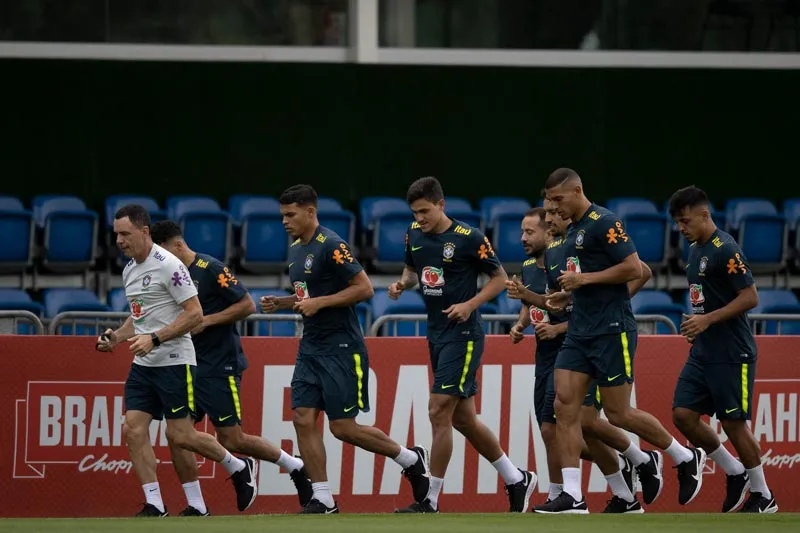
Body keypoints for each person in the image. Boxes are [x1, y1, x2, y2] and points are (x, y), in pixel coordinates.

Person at [538, 168, 705, 513]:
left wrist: (583, 280)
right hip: (580, 331)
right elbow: (588, 284)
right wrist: (566, 298)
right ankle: (573, 495)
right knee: (564, 408)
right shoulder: (573, 233)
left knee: (617, 413)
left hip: (612, 330)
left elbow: (635, 268)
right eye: (549, 202)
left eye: (557, 200)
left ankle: (683, 455)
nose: (553, 209)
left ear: (577, 191)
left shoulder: (604, 221)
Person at [259, 184, 430, 514]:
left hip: (342, 346)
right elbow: (309, 297)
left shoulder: (332, 245)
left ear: (311, 212)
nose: (284, 221)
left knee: (342, 428)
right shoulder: (296, 249)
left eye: (290, 214)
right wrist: (281, 302)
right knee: (302, 417)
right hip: (311, 347)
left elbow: (364, 289)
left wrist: (319, 302)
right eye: (282, 215)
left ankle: (409, 458)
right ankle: (323, 497)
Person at [95, 204, 257, 517]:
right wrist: (116, 337)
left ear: (144, 232)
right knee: (132, 429)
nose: (119, 240)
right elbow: (140, 318)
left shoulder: (169, 265)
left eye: (125, 234)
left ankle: (237, 465)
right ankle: (155, 503)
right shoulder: (130, 269)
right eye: (116, 234)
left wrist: (155, 338)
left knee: (181, 435)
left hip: (174, 360)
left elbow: (194, 313)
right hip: (144, 364)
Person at [389, 176, 536, 514]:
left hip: (464, 334)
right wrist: (401, 285)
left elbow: (500, 279)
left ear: (441, 204)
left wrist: (471, 304)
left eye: (424, 211)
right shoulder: (414, 234)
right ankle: (516, 478)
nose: (420, 218)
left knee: (438, 409)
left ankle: (430, 499)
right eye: (415, 212)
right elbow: (412, 271)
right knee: (464, 419)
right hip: (436, 334)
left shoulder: (469, 238)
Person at [150, 220, 313, 516]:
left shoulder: (210, 267)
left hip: (218, 363)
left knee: (232, 438)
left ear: (176, 245)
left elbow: (247, 305)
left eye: (161, 252)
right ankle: (197, 505)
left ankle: (294, 466)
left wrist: (206, 320)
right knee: (176, 435)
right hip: (185, 363)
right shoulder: (169, 274)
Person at [507, 204, 651, 514]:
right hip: (550, 354)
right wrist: (522, 318)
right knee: (556, 428)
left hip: (580, 346)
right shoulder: (533, 266)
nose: (523, 237)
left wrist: (562, 324)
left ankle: (622, 470)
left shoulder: (572, 249)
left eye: (530, 231)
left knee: (582, 421)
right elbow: (549, 300)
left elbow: (584, 305)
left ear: (550, 231)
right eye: (522, 231)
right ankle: (587, 491)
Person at [668, 185, 777, 513]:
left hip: (732, 351)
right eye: (677, 222)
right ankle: (733, 471)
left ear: (705, 215)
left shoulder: (725, 248)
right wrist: (697, 323)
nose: (681, 228)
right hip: (704, 350)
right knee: (683, 415)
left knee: (733, 423)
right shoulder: (696, 249)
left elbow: (750, 297)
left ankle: (763, 495)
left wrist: (708, 320)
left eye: (685, 221)